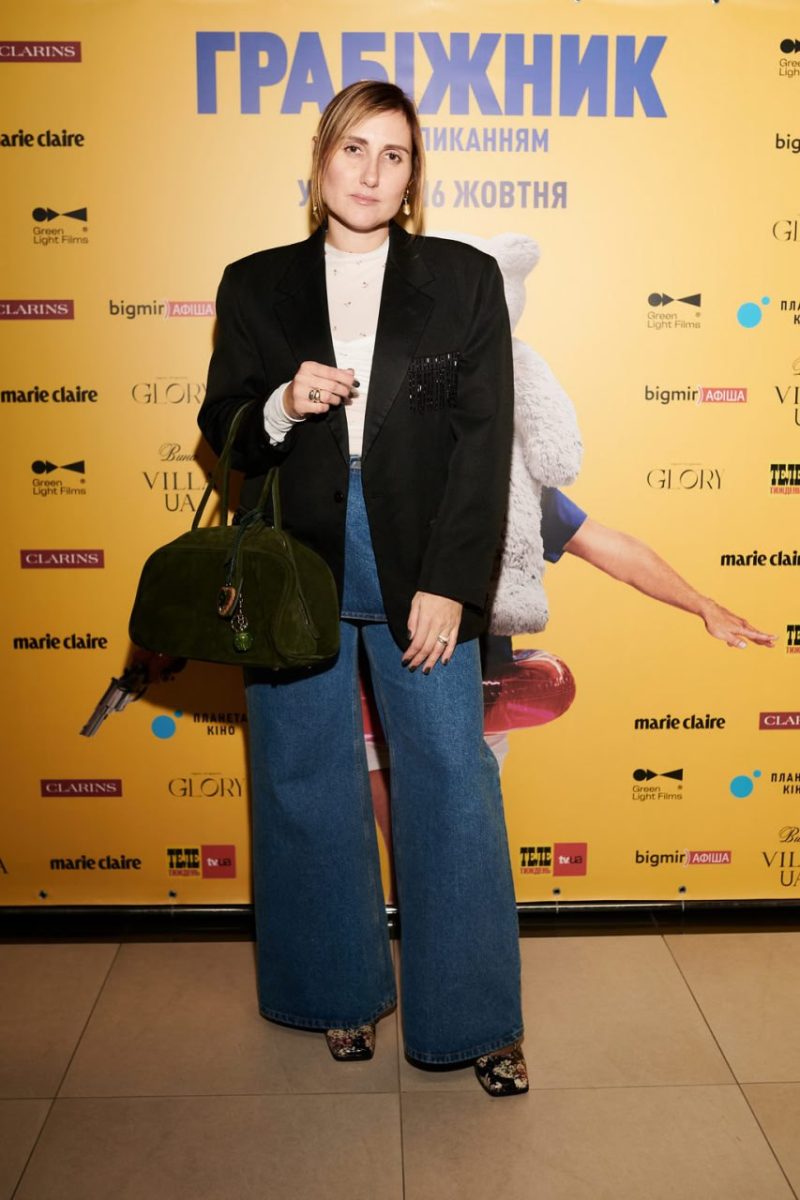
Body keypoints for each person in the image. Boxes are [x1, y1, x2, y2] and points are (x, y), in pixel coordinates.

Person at [198, 81, 528, 1097]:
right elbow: (224, 429)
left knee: (450, 778)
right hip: (294, 551)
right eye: (354, 148)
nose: (371, 172)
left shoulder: (463, 279)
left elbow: (483, 446)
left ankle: (473, 1018)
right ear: (320, 159)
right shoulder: (255, 284)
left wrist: (449, 584)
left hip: (420, 552)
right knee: (301, 773)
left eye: (394, 154)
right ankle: (335, 992)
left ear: (414, 174)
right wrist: (281, 405)